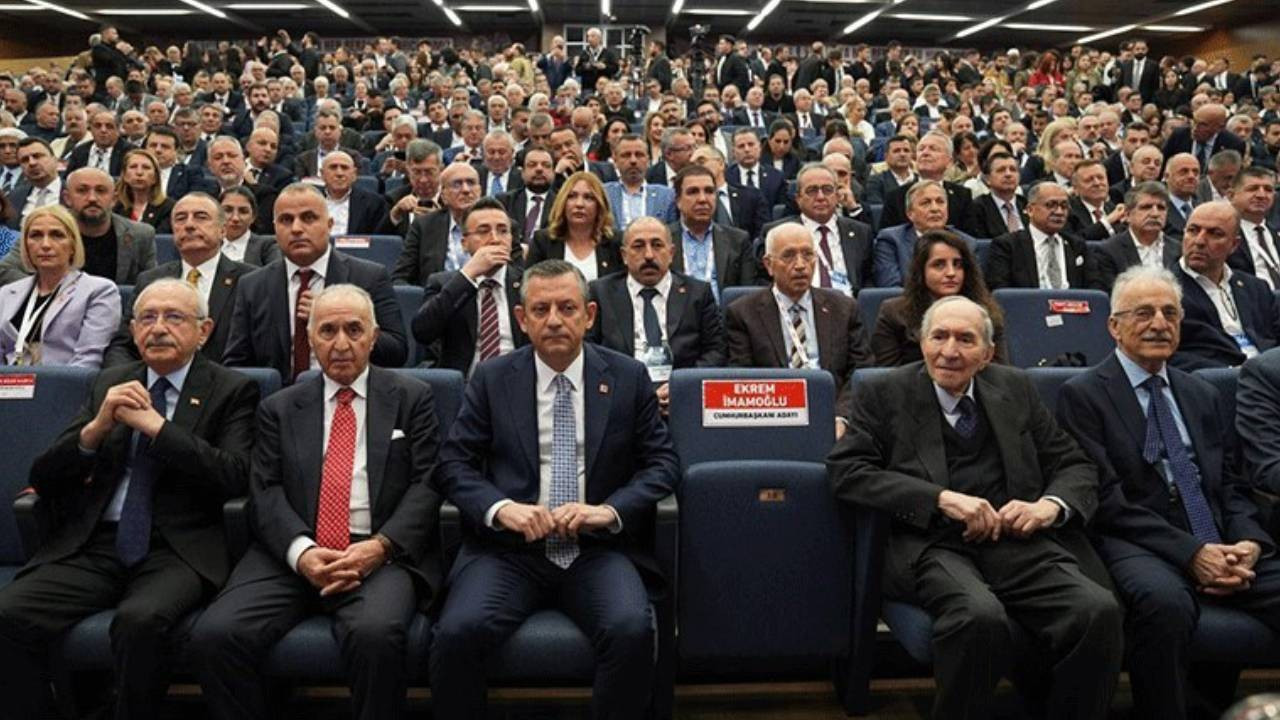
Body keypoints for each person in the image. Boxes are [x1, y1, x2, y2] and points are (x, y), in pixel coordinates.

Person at [830, 293, 1123, 720]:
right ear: (922, 343)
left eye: (965, 339)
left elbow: (1073, 464)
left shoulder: (1015, 387)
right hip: (929, 545)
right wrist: (939, 499)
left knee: (1097, 611)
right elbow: (848, 471)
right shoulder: (885, 392)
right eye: (939, 337)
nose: (949, 351)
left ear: (987, 354)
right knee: (979, 617)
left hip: (1014, 541)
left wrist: (1049, 506)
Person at [429, 259, 679, 718]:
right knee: (457, 633)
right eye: (540, 310)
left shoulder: (627, 376)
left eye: (567, 308)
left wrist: (610, 511)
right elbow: (452, 464)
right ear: (522, 320)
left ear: (589, 314)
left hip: (596, 549)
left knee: (631, 630)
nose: (554, 321)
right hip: (509, 552)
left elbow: (663, 464)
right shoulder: (493, 378)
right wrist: (501, 508)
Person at [0, 277, 258, 719]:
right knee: (7, 615)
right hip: (95, 543)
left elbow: (235, 475)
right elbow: (44, 477)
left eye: (174, 317)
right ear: (134, 330)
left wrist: (159, 429)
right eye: (147, 318)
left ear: (204, 330)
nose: (158, 328)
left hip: (177, 548)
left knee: (139, 623)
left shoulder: (232, 388)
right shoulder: (111, 382)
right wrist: (95, 429)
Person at [191, 283, 441, 720]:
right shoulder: (279, 407)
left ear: (373, 337)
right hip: (292, 551)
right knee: (215, 634)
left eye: (353, 330)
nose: (341, 343)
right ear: (310, 339)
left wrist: (379, 547)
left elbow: (428, 484)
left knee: (375, 637)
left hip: (378, 551)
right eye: (327, 331)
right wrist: (302, 552)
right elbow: (264, 490)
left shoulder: (412, 397)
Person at [1057, 265, 1280, 720]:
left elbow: (1232, 484)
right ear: (1113, 326)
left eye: (1170, 313)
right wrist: (1192, 553)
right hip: (1137, 538)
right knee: (1164, 605)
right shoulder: (1082, 394)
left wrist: (1249, 542)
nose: (1159, 323)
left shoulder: (1202, 392)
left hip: (1217, 532)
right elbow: (1107, 500)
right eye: (1144, 313)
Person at [222, 183, 408, 381]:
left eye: (308, 218)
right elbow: (237, 364)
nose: (296, 229)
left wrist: (339, 319)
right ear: (275, 228)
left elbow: (396, 352)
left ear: (329, 225)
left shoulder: (369, 277)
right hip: (279, 397)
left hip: (347, 392)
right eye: (286, 220)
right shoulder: (252, 286)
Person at [726, 223, 872, 431]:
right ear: (768, 264)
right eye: (789, 256)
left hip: (835, 414)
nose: (801, 265)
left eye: (808, 255)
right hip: (774, 420)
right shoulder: (743, 313)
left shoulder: (843, 308)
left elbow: (861, 370)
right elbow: (744, 379)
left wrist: (842, 417)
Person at [588, 216, 726, 412]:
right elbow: (590, 351)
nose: (649, 255)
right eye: (638, 246)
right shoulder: (601, 293)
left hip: (682, 401)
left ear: (671, 253)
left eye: (657, 245)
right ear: (624, 255)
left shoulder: (697, 293)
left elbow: (716, 351)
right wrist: (631, 392)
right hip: (620, 402)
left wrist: (681, 386)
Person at [105, 193, 252, 366]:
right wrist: (129, 377)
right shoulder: (150, 280)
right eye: (181, 219)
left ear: (222, 230)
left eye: (201, 217)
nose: (189, 225)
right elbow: (123, 347)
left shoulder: (249, 281)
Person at [411, 197, 527, 375]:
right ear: (464, 243)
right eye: (483, 231)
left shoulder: (529, 283)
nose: (495, 239)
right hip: (465, 382)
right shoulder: (444, 283)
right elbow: (422, 332)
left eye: (503, 231)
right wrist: (467, 275)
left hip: (518, 380)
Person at [0, 204, 120, 367]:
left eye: (57, 235)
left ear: (73, 245)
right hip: (9, 381)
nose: (45, 244)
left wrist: (56, 382)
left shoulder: (99, 291)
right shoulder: (6, 293)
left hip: (63, 380)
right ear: (26, 245)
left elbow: (88, 360)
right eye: (36, 235)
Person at [0, 167, 156, 287]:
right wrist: (49, 289)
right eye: (82, 190)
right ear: (67, 198)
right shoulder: (44, 229)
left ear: (114, 199)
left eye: (101, 191)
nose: (92, 198)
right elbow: (5, 270)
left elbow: (151, 283)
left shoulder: (141, 234)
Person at [872, 230, 1006, 366]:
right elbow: (888, 374)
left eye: (958, 265)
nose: (951, 273)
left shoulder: (986, 312)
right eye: (939, 265)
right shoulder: (894, 313)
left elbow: (999, 372)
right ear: (921, 271)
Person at [1170, 201, 1278, 370]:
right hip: (1216, 377)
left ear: (1234, 245)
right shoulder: (1165, 290)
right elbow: (1167, 355)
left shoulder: (1256, 288)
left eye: (1215, 234)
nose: (1199, 241)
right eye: (1193, 230)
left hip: (1269, 372)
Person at [762, 164, 873, 296]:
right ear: (798, 199)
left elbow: (869, 280)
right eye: (812, 191)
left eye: (827, 190)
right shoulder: (778, 233)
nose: (821, 197)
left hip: (850, 304)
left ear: (837, 195)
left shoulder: (861, 232)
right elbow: (764, 280)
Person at [667, 164, 759, 300]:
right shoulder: (663, 240)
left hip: (724, 311)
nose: (702, 199)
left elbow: (748, 296)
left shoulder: (738, 240)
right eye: (693, 192)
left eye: (709, 191)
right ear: (678, 200)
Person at [985, 181, 1098, 290]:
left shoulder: (1077, 246)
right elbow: (1000, 291)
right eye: (1051, 205)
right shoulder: (1008, 245)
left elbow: (1095, 287)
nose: (1059, 212)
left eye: (1064, 206)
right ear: (1030, 210)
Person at [873, 180, 978, 287]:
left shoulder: (966, 242)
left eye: (940, 202)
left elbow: (973, 287)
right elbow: (891, 286)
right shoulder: (891, 240)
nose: (935, 209)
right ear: (910, 213)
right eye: (926, 203)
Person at [392, 161, 480, 287]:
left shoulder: (498, 224)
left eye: (471, 183)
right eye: (457, 184)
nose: (466, 190)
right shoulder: (424, 226)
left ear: (479, 190)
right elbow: (400, 277)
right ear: (443, 195)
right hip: (437, 296)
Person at [526, 170, 623, 282]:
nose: (579, 204)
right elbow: (530, 284)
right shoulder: (543, 241)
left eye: (588, 197)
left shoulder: (616, 242)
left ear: (599, 205)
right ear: (563, 202)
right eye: (572, 196)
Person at [1094, 182, 1181, 290]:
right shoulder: (1108, 251)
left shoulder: (1179, 250)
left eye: (1161, 208)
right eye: (1146, 207)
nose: (1155, 214)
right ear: (1127, 215)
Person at [603, 134, 676, 232]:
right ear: (615, 161)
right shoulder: (604, 193)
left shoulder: (667, 196)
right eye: (626, 155)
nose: (633, 160)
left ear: (648, 160)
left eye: (639, 155)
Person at [319, 151, 390, 236]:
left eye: (345, 168)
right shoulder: (310, 200)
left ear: (354, 175)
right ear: (322, 174)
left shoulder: (373, 203)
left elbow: (379, 240)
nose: (339, 173)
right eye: (333, 167)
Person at [114, 148, 174, 233]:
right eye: (133, 167)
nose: (139, 172)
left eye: (146, 168)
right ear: (124, 175)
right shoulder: (116, 207)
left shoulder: (169, 208)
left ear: (155, 177)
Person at [219, 186, 280, 267]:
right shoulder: (206, 245)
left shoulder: (268, 246)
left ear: (253, 217)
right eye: (228, 210)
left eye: (243, 211)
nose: (235, 218)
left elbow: (274, 272)